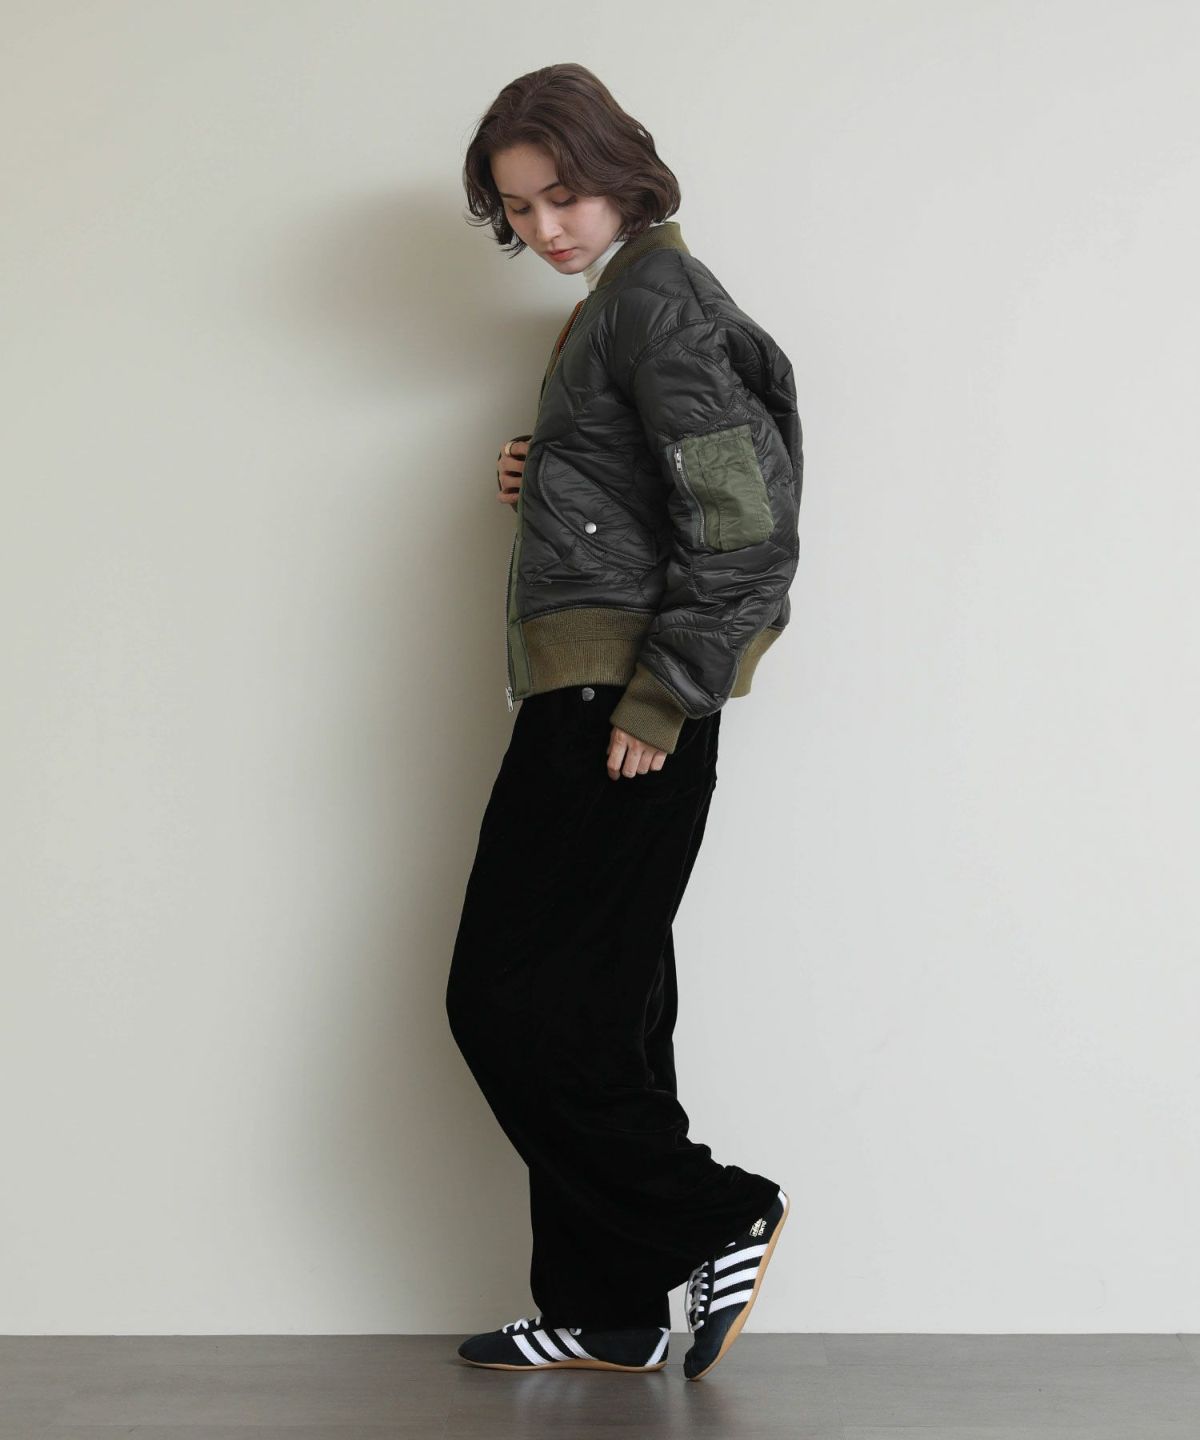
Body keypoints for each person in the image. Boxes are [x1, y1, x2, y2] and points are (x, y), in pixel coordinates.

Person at [446, 63, 803, 1381]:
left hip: (619, 700)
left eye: (566, 194)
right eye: (518, 207)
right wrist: (553, 468)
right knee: (600, 1008)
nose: (545, 227)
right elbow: (667, 478)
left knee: (505, 998)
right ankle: (605, 1307)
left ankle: (716, 1213)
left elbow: (746, 528)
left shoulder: (658, 302)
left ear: (623, 173)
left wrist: (661, 697)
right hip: (603, 689)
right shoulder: (622, 304)